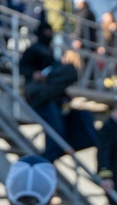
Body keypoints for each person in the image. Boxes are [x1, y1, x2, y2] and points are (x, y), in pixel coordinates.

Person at [21, 22, 77, 161]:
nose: (50, 35)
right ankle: (46, 161)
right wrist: (34, 74)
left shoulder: (49, 51)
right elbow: (23, 66)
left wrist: (64, 94)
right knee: (55, 129)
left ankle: (48, 159)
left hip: (50, 96)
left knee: (59, 128)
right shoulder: (33, 50)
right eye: (47, 32)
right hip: (39, 94)